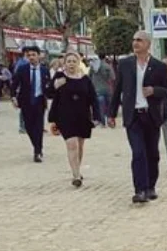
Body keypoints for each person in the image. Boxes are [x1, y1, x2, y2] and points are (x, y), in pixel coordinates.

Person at [107, 29, 167, 204]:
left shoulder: (159, 66)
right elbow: (117, 89)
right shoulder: (125, 64)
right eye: (134, 40)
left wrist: (154, 91)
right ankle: (140, 190)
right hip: (133, 116)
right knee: (138, 153)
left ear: (148, 44)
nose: (135, 43)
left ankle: (151, 186)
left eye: (139, 40)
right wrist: (111, 113)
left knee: (152, 153)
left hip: (151, 116)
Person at [48, 51, 101, 187]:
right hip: (65, 116)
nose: (71, 64)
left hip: (82, 116)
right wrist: (55, 86)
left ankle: (77, 168)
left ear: (79, 63)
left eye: (74, 61)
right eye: (68, 61)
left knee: (80, 145)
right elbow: (48, 93)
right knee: (72, 144)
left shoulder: (85, 79)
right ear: (64, 64)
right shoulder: (60, 77)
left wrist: (97, 116)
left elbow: (93, 99)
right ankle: (76, 175)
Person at [11, 44, 53, 161]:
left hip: (39, 101)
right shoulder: (22, 69)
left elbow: (48, 86)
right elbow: (14, 84)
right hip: (25, 101)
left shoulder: (45, 70)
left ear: (39, 56)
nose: (31, 57)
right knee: (29, 127)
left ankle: (37, 151)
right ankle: (37, 146)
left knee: (39, 127)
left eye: (33, 55)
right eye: (28, 55)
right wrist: (13, 97)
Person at [88, 53, 115, 126]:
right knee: (109, 106)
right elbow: (113, 78)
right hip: (107, 89)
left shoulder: (93, 66)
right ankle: (109, 121)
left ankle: (103, 123)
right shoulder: (108, 66)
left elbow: (89, 77)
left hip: (97, 89)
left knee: (100, 107)